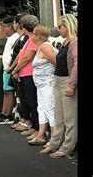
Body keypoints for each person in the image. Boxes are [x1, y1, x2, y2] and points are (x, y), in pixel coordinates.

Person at [40, 14, 77, 159]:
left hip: (67, 81)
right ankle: (55, 143)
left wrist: (71, 85)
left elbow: (76, 65)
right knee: (58, 117)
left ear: (68, 26)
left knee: (70, 118)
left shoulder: (74, 42)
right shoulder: (65, 42)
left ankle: (67, 147)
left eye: (60, 26)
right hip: (58, 80)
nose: (58, 29)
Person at [29, 25, 57, 146]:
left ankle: (55, 138)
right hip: (41, 85)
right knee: (42, 109)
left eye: (34, 33)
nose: (32, 35)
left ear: (39, 36)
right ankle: (41, 135)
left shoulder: (45, 47)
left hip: (48, 84)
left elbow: (56, 62)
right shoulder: (41, 47)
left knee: (49, 109)